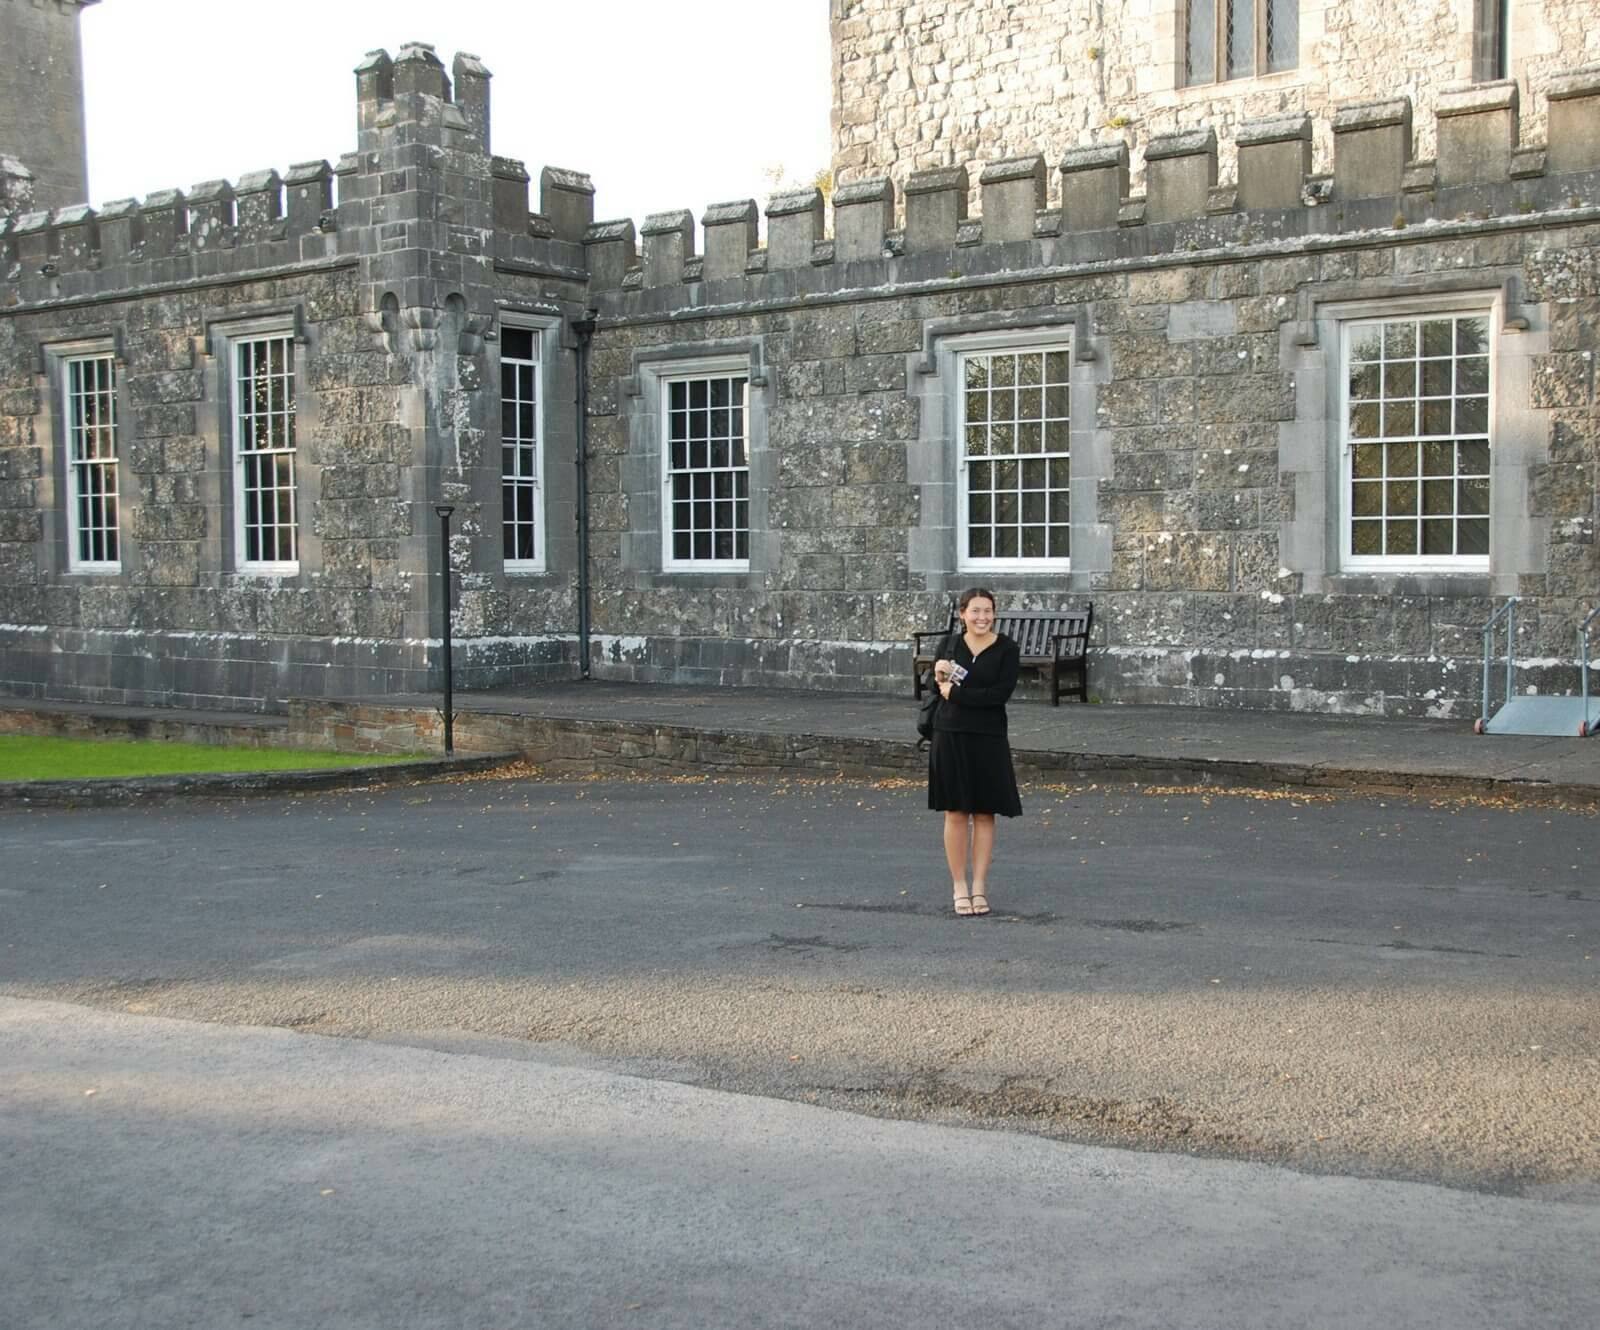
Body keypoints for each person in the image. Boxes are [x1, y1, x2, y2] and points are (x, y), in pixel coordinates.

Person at [929, 587, 1022, 917]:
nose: (982, 617)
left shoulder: (1007, 649)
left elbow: (999, 694)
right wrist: (939, 675)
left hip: (989, 736)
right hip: (950, 734)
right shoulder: (950, 644)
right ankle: (959, 886)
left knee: (984, 813)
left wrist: (957, 694)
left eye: (988, 611)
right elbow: (934, 690)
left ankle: (980, 886)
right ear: (962, 614)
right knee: (955, 812)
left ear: (994, 613)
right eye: (975, 611)